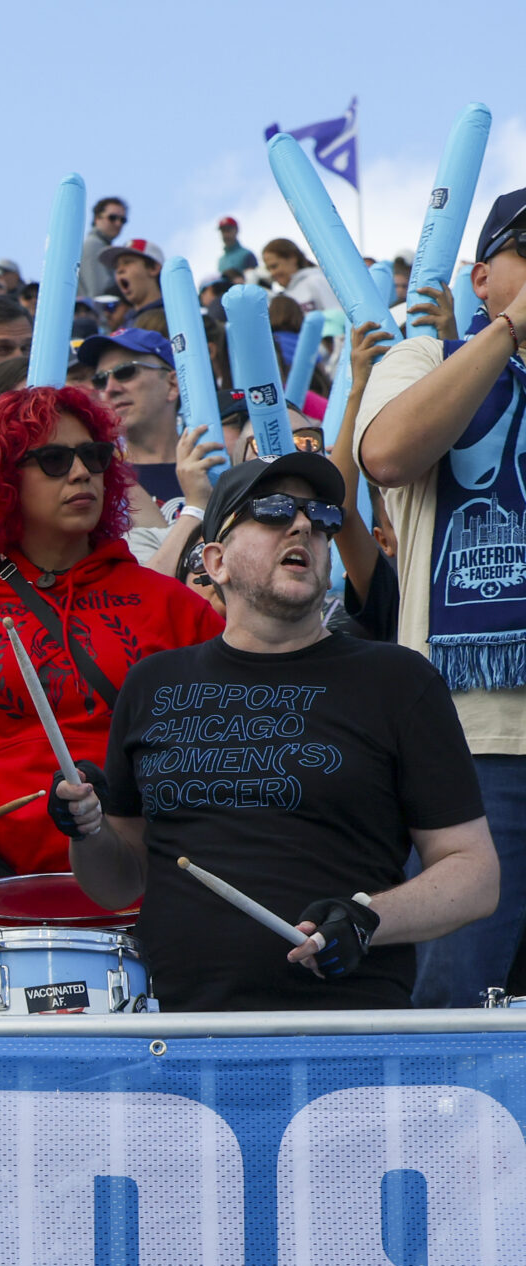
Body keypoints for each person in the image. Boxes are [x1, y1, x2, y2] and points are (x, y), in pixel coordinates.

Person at [54, 453, 495, 1011]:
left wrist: (368, 920)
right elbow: (119, 882)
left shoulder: (398, 679)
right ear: (215, 561)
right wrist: (86, 830)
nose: (304, 525)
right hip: (178, 1032)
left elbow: (474, 873)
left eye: (320, 518)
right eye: (273, 510)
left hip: (347, 1029)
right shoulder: (153, 684)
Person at [0, 386, 221, 887]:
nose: (81, 473)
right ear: (3, 479)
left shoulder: (173, 605)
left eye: (94, 457)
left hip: (151, 885)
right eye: (53, 460)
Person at [353, 186, 526, 1005]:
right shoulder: (424, 361)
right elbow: (385, 454)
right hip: (474, 744)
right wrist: (510, 334)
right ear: (482, 278)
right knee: (459, 1021)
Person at [79, 328, 190, 506]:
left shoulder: (215, 466)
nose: (110, 389)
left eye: (125, 372)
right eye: (100, 380)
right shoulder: (94, 475)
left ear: (172, 385)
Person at [260, 238, 343, 318]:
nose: (272, 273)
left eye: (274, 266)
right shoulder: (283, 296)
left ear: (292, 258)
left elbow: (338, 317)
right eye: (268, 269)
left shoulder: (316, 281)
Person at [80, 198, 128, 299]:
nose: (118, 223)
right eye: (112, 218)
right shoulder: (93, 245)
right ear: (97, 219)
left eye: (123, 220)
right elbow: (100, 293)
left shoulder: (101, 245)